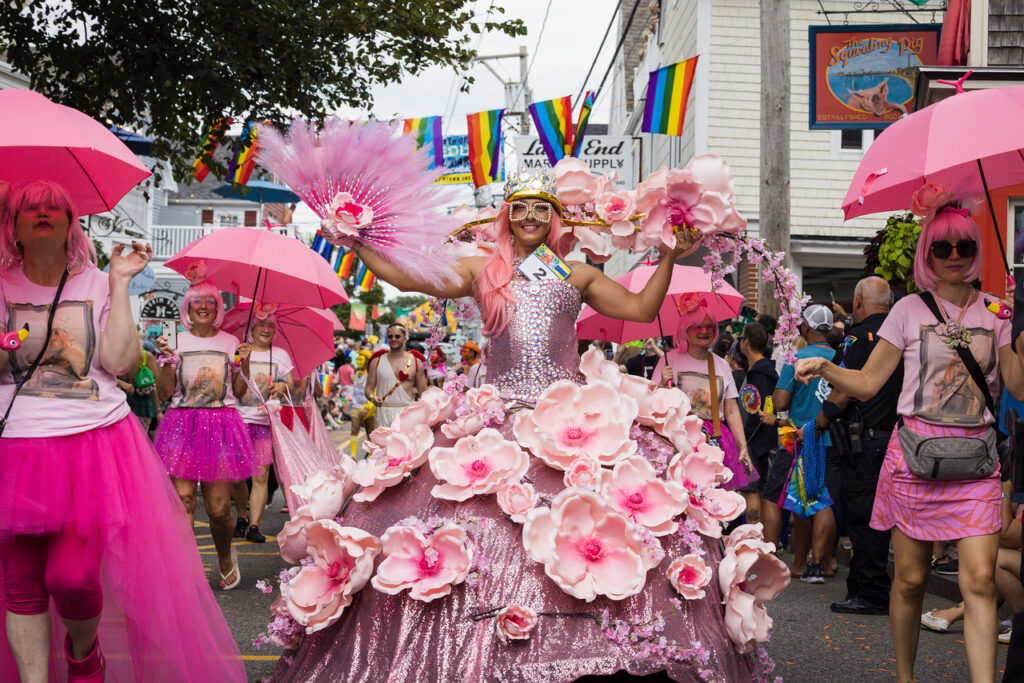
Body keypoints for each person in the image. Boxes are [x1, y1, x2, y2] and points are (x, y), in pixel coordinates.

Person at [270, 172, 768, 682]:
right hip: (496, 419)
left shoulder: (577, 274)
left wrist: (667, 255)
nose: (531, 216)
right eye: (521, 206)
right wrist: (358, 242)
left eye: (541, 207)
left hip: (571, 421)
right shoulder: (482, 269)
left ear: (555, 218)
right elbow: (407, 279)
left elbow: (641, 309)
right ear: (506, 215)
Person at [0, 180, 244, 681]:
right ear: (14, 225)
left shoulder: (94, 281)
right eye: (30, 208)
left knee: (71, 577)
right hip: (15, 446)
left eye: (54, 206)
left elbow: (119, 362)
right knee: (21, 582)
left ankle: (84, 656)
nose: (43, 212)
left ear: (72, 225)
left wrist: (119, 284)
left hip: (91, 443)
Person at [794, 204, 1024, 683]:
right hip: (914, 456)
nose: (955, 255)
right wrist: (825, 368)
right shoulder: (907, 309)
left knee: (979, 580)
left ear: (977, 250)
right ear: (928, 254)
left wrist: (1021, 326)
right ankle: (906, 678)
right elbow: (868, 382)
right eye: (943, 247)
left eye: (965, 246)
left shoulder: (999, 311)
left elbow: (1018, 387)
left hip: (977, 461)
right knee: (911, 579)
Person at [153, 273, 258, 591]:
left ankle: (225, 556)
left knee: (218, 508)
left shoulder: (230, 342)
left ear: (218, 306)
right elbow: (164, 392)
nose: (203, 306)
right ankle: (187, 565)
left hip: (220, 425)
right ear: (187, 306)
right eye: (196, 300)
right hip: (181, 424)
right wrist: (168, 361)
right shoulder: (172, 340)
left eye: (210, 301)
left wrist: (243, 364)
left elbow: (239, 392)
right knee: (183, 500)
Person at [816, 277, 903, 616]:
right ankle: (869, 588)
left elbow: (843, 389)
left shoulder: (856, 336)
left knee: (864, 518)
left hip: (864, 442)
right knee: (892, 519)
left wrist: (819, 422)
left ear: (858, 302)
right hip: (899, 438)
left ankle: (871, 592)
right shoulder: (902, 334)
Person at [760, 304, 838, 584]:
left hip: (797, 439)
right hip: (831, 439)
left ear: (805, 328)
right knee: (820, 498)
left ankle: (770, 561)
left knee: (773, 496)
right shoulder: (840, 358)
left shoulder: (798, 359)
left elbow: (780, 402)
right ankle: (817, 564)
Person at [655, 300, 756, 490]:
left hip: (715, 442)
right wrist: (661, 383)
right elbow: (653, 403)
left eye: (709, 326)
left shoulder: (721, 365)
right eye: (698, 326)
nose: (704, 331)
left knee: (714, 501)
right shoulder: (669, 361)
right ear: (686, 329)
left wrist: (743, 447)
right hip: (678, 441)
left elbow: (732, 410)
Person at [232, 312, 294, 544]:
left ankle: (254, 525)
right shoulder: (239, 349)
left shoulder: (280, 355)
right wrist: (241, 359)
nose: (266, 330)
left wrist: (281, 384)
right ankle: (241, 516)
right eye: (261, 325)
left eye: (271, 326)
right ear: (252, 327)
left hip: (264, 423)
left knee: (260, 476)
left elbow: (291, 386)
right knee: (236, 477)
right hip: (236, 420)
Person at [735, 322, 778, 524]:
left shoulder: (758, 374)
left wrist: (744, 438)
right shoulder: (765, 371)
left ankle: (754, 539)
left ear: (747, 343)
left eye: (741, 338)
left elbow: (756, 411)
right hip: (763, 440)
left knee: (751, 491)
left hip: (754, 442)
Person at [366, 323, 426, 428]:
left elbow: (423, 392)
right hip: (383, 412)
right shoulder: (376, 361)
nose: (393, 339)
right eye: (390, 336)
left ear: (404, 339)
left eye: (397, 336)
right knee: (383, 444)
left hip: (407, 413)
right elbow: (368, 389)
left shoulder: (416, 362)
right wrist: (373, 398)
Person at [347, 349, 375, 457]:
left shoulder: (370, 375)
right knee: (354, 429)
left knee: (370, 432)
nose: (358, 361)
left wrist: (368, 406)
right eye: (357, 359)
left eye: (360, 359)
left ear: (367, 361)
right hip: (356, 406)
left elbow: (374, 391)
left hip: (368, 408)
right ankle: (353, 455)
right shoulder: (356, 374)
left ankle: (370, 455)